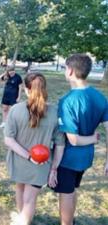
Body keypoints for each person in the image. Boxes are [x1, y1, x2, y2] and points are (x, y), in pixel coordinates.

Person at [52, 54, 108, 225]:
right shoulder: (100, 97)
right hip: (86, 158)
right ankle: (70, 220)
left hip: (68, 159)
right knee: (72, 189)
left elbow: (74, 140)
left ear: (70, 71)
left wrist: (92, 139)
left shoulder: (67, 101)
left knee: (66, 193)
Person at [4, 72, 65, 225]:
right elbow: (60, 145)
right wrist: (54, 169)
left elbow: (9, 140)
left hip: (19, 161)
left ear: (25, 89)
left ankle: (23, 220)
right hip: (41, 165)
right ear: (44, 89)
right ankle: (22, 218)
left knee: (22, 192)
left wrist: (28, 156)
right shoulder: (55, 112)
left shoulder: (15, 110)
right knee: (28, 198)